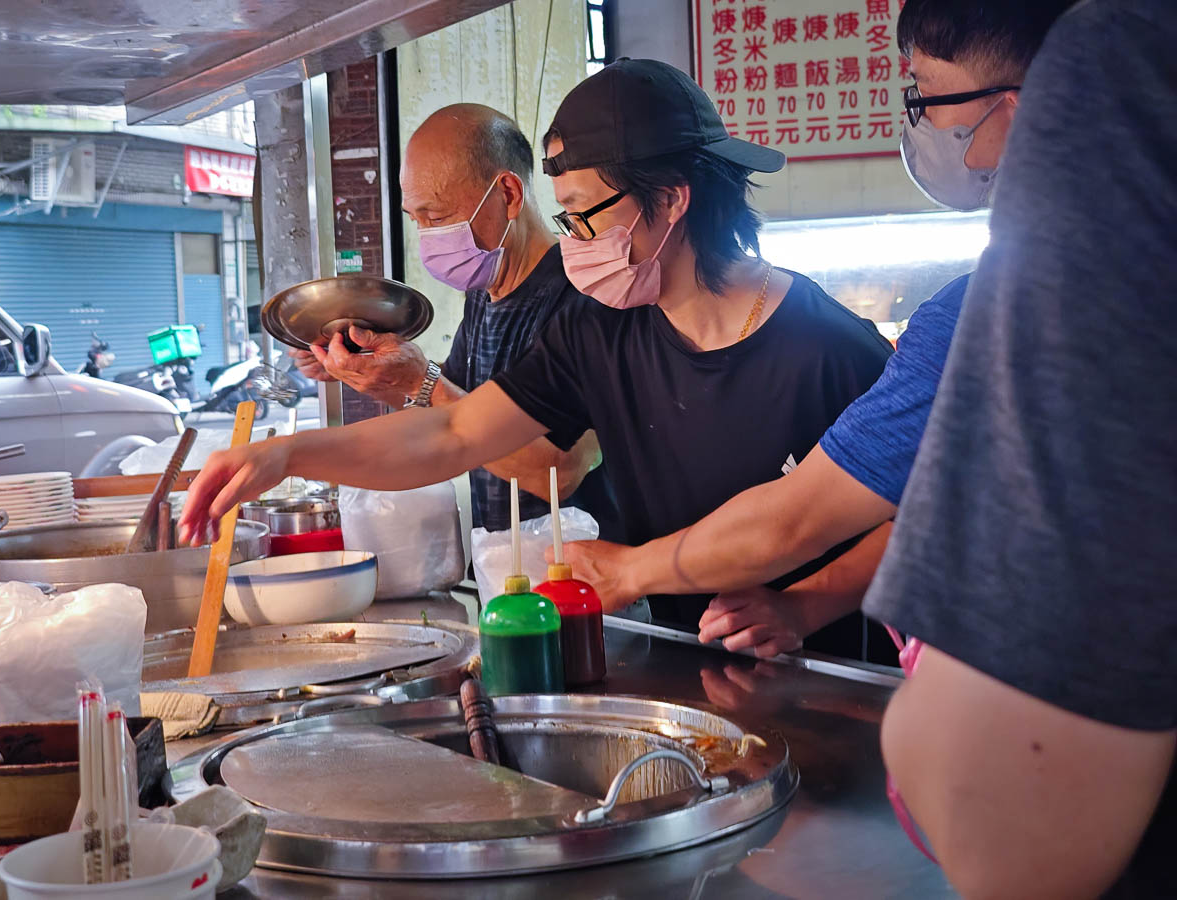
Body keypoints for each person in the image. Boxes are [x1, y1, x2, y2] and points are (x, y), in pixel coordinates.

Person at [179, 59, 892, 651]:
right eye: (564, 218)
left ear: (671, 200)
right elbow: (455, 432)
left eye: (584, 215)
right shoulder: (602, 330)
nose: (573, 242)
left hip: (821, 679)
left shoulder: (826, 347)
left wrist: (802, 607)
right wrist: (289, 455)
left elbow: (915, 522)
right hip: (681, 660)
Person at [557, 0, 1075, 659]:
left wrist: (628, 571)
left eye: (925, 98)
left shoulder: (975, 323)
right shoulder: (596, 331)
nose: (915, 120)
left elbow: (799, 518)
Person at [866, 0, 1176, 894]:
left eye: (925, 95)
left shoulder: (1124, 66)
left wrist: (918, 722)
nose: (917, 123)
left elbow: (1007, 831)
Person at [293, 104, 615, 535]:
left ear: (508, 195)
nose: (428, 237)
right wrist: (369, 368)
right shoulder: (484, 294)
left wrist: (419, 380)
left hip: (585, 581)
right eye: (416, 220)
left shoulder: (587, 295)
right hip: (501, 566)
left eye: (438, 217)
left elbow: (557, 472)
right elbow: (446, 406)